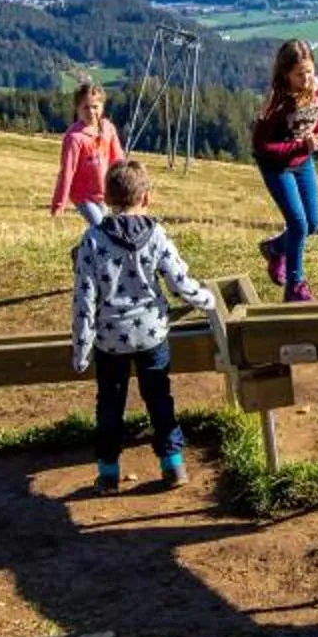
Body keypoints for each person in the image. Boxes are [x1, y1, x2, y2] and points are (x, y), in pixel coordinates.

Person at [69, 158, 216, 492]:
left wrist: (81, 349)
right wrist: (206, 300)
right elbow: (179, 281)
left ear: (106, 198)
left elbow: (84, 299)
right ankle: (173, 465)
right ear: (146, 197)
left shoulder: (92, 239)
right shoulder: (157, 234)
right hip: (152, 335)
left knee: (110, 404)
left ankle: (108, 472)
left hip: (109, 340)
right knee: (159, 398)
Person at [250, 39, 318, 303]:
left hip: (303, 161)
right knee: (298, 224)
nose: (306, 79)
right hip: (276, 167)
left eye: (309, 71)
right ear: (286, 73)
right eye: (299, 74)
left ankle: (275, 249)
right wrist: (298, 146)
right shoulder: (276, 101)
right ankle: (295, 287)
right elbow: (260, 145)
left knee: (313, 223)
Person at [48, 81, 126, 228]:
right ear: (78, 109)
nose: (91, 112)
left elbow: (118, 159)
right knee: (101, 227)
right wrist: (59, 205)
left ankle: (92, 248)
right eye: (85, 107)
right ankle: (85, 250)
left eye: (95, 107)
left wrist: (124, 185)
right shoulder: (74, 137)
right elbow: (67, 172)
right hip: (82, 196)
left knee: (109, 228)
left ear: (102, 107)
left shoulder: (108, 128)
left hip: (103, 193)